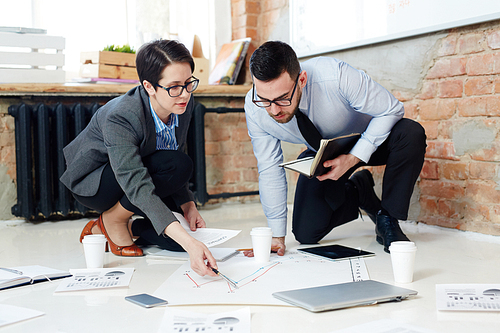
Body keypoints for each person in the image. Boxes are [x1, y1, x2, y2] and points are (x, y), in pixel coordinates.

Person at [244, 41, 426, 255]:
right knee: (306, 234)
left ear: (301, 80)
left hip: (371, 140)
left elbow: (391, 109)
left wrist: (354, 157)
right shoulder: (254, 109)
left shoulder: (335, 76)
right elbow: (269, 168)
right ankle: (360, 191)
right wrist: (276, 235)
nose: (274, 110)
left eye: (283, 98)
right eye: (265, 100)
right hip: (324, 153)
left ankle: (387, 219)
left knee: (410, 133)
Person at [60, 39, 217, 277]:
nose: (184, 94)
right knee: (178, 166)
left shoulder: (182, 102)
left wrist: (188, 204)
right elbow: (136, 182)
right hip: (98, 181)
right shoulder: (122, 115)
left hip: (144, 171)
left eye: (188, 83)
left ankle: (128, 225)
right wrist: (189, 240)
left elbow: (175, 148)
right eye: (174, 86)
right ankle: (112, 219)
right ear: (149, 86)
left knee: (179, 242)